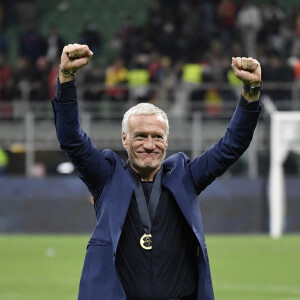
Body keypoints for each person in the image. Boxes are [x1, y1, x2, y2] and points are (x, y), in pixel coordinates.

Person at [52, 44, 262, 300]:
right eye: (140, 136)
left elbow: (232, 145)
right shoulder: (106, 177)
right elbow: (71, 138)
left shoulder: (186, 177)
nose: (149, 145)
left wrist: (250, 93)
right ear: (124, 140)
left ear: (167, 140)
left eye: (157, 137)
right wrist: (66, 78)